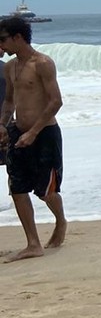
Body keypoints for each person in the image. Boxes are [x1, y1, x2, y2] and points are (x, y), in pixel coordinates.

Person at [0, 16, 68, 261]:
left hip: (45, 133)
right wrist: (3, 125)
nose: (1, 45)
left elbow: (56, 101)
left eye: (3, 39)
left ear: (18, 37)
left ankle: (60, 220)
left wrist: (33, 132)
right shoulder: (10, 67)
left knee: (46, 190)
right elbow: (9, 101)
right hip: (19, 131)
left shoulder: (43, 63)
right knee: (17, 187)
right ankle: (33, 243)